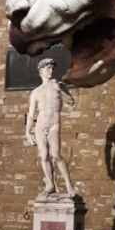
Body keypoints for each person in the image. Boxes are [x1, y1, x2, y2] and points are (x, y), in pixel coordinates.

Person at [25, 58, 77, 197]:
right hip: (40, 125)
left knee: (56, 154)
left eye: (52, 68)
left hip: (54, 124)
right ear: (41, 71)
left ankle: (68, 185)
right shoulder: (36, 92)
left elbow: (71, 102)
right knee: (43, 155)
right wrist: (27, 132)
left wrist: (62, 91)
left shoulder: (58, 85)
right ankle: (50, 183)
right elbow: (31, 114)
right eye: (48, 68)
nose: (51, 71)